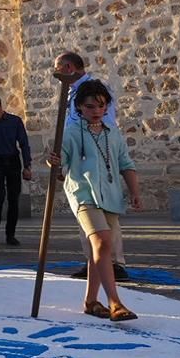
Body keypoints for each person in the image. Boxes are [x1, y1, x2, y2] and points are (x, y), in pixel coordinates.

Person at [48, 79, 141, 323]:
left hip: (109, 195)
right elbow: (60, 164)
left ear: (107, 106)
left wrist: (134, 192)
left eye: (100, 106)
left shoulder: (113, 134)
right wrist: (54, 162)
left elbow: (126, 164)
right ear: (79, 108)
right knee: (102, 240)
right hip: (82, 193)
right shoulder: (70, 133)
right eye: (90, 106)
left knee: (100, 249)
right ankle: (115, 302)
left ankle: (90, 301)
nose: (96, 111)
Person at [55, 51, 130, 281]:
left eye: (58, 67)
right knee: (85, 213)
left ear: (68, 67)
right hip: (79, 159)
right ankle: (93, 261)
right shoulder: (71, 92)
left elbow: (105, 122)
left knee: (108, 215)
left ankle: (114, 263)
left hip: (98, 157)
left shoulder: (94, 89)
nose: (55, 72)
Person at [0, 93, 33, 247]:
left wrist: (27, 165)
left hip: (12, 161)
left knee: (13, 199)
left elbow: (24, 144)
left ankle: (11, 234)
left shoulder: (15, 121)